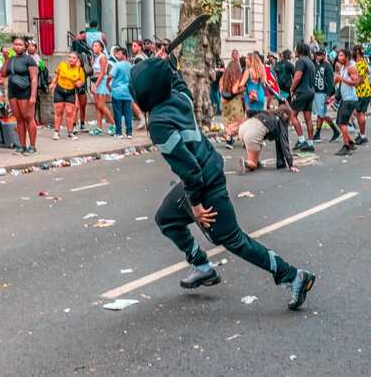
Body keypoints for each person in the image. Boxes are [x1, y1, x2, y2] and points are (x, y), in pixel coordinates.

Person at [129, 57, 316, 310]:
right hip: (207, 170)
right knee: (166, 217)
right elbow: (178, 81)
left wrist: (195, 206)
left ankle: (293, 276)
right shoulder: (179, 97)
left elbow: (190, 170)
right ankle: (202, 266)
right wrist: (165, 64)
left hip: (203, 181)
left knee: (233, 239)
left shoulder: (159, 124)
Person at [2, 37, 39, 155]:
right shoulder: (11, 59)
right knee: (19, 119)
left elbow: (34, 79)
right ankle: (22, 145)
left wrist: (33, 96)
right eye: (15, 44)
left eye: (20, 44)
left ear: (25, 46)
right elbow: (3, 74)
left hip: (25, 91)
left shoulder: (29, 60)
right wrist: (6, 59)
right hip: (13, 92)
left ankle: (32, 146)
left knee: (28, 118)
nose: (17, 46)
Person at [237, 105, 299, 174]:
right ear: (286, 115)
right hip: (253, 134)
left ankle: (255, 160)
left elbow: (249, 112)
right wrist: (291, 165)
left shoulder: (268, 112)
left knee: (259, 143)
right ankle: (245, 163)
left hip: (243, 128)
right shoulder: (280, 121)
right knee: (253, 164)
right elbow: (284, 143)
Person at [50, 52, 85, 140]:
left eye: (74, 58)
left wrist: (79, 83)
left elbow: (81, 82)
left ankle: (70, 132)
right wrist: (53, 83)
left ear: (77, 60)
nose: (71, 59)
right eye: (70, 57)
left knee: (69, 112)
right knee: (59, 111)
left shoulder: (79, 70)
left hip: (70, 92)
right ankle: (56, 132)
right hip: (59, 91)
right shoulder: (62, 65)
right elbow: (56, 75)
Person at [289, 43, 316, 152]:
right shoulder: (311, 62)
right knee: (308, 118)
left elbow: (298, 76)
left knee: (292, 115)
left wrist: (292, 88)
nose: (294, 51)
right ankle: (310, 143)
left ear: (299, 51)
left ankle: (301, 140)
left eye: (295, 49)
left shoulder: (300, 61)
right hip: (310, 91)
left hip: (302, 91)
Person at [334, 49, 361, 156]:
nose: (339, 58)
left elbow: (355, 83)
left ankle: (346, 147)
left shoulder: (351, 68)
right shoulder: (343, 68)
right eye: (338, 55)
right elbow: (342, 85)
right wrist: (335, 96)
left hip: (350, 99)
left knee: (342, 123)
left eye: (341, 55)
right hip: (345, 98)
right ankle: (350, 142)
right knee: (339, 122)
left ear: (347, 56)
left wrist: (341, 78)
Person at [311, 50, 341, 142]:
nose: (318, 57)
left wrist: (328, 96)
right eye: (317, 55)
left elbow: (330, 82)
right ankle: (319, 134)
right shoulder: (316, 65)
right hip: (316, 92)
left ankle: (333, 131)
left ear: (324, 55)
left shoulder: (327, 66)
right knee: (320, 114)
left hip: (323, 93)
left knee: (322, 114)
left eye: (320, 55)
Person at [220, 50, 245, 148]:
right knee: (238, 120)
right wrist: (241, 89)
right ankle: (240, 139)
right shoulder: (236, 77)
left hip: (224, 101)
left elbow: (220, 87)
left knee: (227, 120)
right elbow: (234, 90)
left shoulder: (224, 77)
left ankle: (228, 140)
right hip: (234, 102)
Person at [90, 41, 115, 135]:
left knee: (101, 105)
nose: (94, 47)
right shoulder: (96, 57)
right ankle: (99, 127)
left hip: (101, 82)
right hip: (96, 81)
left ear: (101, 48)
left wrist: (95, 85)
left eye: (96, 45)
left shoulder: (102, 57)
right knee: (97, 106)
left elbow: (103, 72)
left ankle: (114, 124)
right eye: (93, 46)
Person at [108, 47, 134, 139]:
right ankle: (129, 133)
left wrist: (108, 85)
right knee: (128, 113)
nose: (116, 55)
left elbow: (109, 76)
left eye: (118, 54)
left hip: (117, 92)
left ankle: (119, 133)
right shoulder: (130, 66)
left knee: (117, 113)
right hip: (127, 92)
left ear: (123, 55)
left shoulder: (117, 65)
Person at [352, 45, 371, 145]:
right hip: (362, 92)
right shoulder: (362, 62)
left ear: (357, 52)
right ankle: (361, 134)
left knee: (360, 113)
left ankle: (363, 136)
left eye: (353, 50)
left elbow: (359, 80)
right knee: (358, 113)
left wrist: (349, 83)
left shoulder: (360, 63)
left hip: (362, 92)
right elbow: (369, 73)